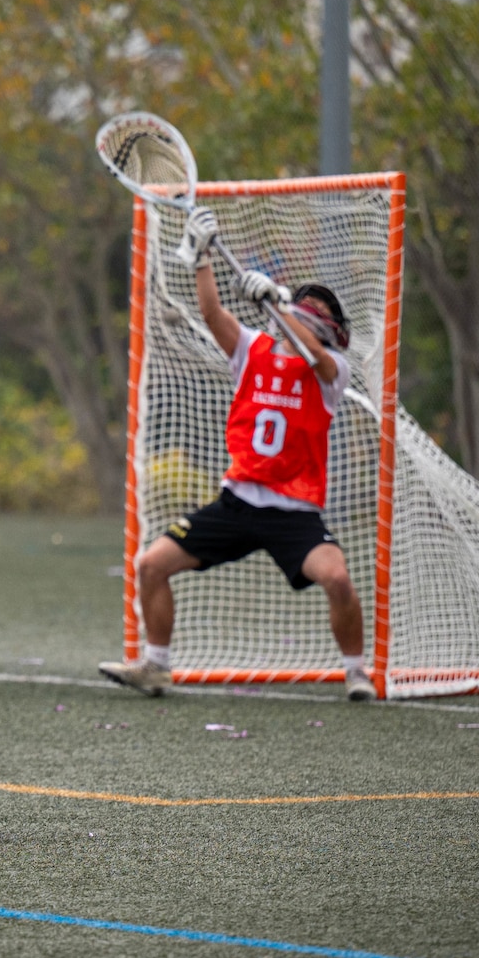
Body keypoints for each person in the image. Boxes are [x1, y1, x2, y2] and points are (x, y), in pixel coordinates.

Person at [98, 204, 373, 703]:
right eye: (303, 306)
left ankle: (357, 673)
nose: (306, 314)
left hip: (295, 513)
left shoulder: (331, 370)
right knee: (151, 564)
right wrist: (203, 257)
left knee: (336, 578)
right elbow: (212, 313)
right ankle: (156, 666)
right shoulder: (253, 349)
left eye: (317, 312)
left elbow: (313, 352)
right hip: (238, 502)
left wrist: (280, 306)